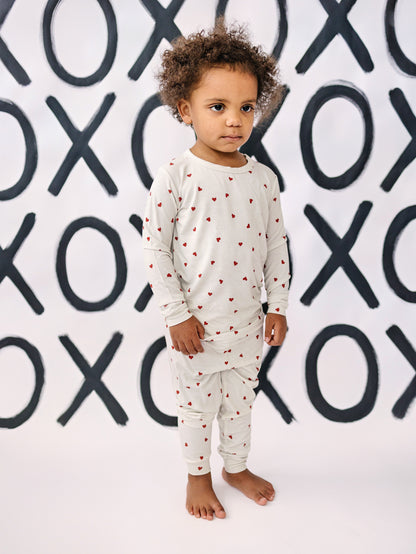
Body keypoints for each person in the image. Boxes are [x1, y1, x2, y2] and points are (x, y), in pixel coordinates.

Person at [142, 19, 290, 520]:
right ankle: (198, 477)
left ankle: (236, 467)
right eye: (218, 107)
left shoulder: (263, 180)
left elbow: (276, 246)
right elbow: (156, 249)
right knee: (196, 408)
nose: (234, 121)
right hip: (196, 329)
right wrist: (175, 314)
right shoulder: (176, 176)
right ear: (186, 109)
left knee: (240, 405)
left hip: (246, 324)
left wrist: (278, 305)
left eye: (246, 107)